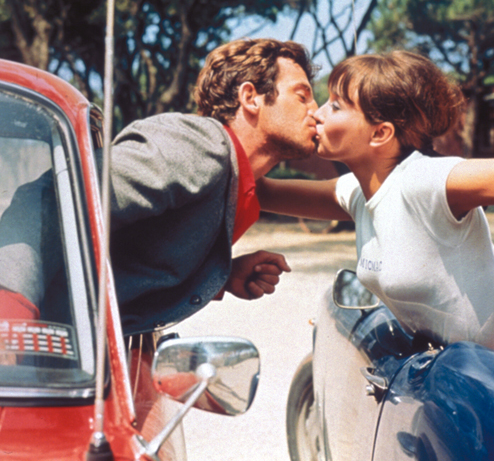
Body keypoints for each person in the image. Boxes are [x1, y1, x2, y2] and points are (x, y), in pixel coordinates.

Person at [256, 50, 494, 363]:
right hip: (447, 381)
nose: (316, 113)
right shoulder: (358, 192)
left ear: (380, 133)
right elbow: (260, 192)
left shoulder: (425, 180)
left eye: (335, 106)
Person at [0, 38, 320, 336]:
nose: (316, 111)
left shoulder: (236, 180)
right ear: (250, 98)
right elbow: (49, 199)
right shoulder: (201, 147)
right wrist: (9, 313)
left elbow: (130, 257)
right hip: (30, 348)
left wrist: (221, 275)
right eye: (302, 96)